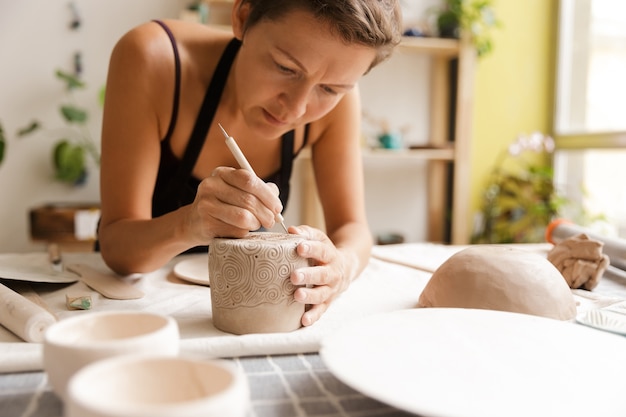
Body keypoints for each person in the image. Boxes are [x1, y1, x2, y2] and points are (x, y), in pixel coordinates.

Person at [98, 0, 402, 327]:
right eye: (286, 67)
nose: (296, 109)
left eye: (329, 89)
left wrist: (341, 266)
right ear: (243, 17)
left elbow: (353, 230)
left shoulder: (340, 103)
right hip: (144, 310)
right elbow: (116, 247)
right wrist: (187, 224)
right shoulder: (154, 59)